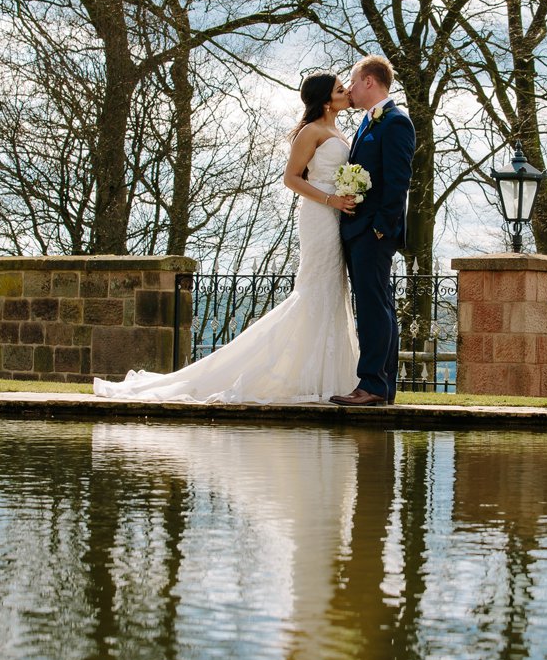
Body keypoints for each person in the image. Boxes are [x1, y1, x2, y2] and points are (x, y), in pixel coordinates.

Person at [93, 74, 360, 403]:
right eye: (339, 89)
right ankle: (271, 373)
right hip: (320, 215)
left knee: (333, 290)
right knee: (313, 291)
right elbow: (290, 178)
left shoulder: (341, 131)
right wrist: (331, 199)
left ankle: (324, 378)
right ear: (323, 100)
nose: (346, 92)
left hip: (337, 216)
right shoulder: (311, 132)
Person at [331, 54, 416, 408]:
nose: (349, 88)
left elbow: (398, 182)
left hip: (373, 232)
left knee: (373, 308)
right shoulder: (368, 122)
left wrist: (381, 229)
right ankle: (380, 387)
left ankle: (372, 385)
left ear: (369, 81)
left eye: (352, 81)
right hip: (359, 230)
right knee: (376, 306)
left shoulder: (395, 122)